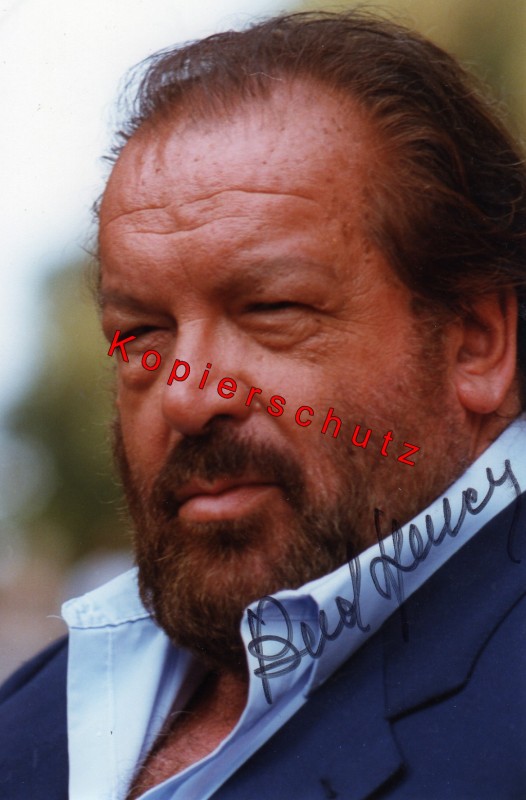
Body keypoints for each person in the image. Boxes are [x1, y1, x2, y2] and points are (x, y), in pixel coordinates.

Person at [1, 10, 525, 799]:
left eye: (272, 310)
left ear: (476, 341)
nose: (185, 395)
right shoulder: (36, 714)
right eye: (140, 333)